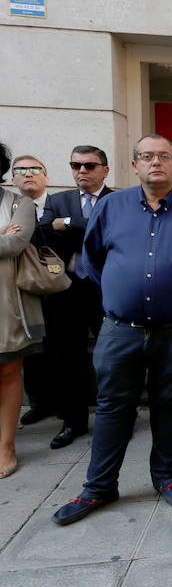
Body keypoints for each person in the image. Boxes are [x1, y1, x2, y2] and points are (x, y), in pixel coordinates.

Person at [52, 133, 172, 525]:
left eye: (164, 156)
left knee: (170, 405)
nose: (155, 162)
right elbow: (94, 260)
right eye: (147, 156)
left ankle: (166, 478)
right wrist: (123, 290)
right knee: (114, 407)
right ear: (135, 165)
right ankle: (99, 487)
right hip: (120, 329)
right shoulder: (111, 207)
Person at [38, 146, 114, 449]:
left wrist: (67, 224)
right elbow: (42, 235)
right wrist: (73, 226)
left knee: (113, 356)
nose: (81, 171)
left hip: (107, 288)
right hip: (67, 287)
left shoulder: (118, 199)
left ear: (104, 170)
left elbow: (109, 236)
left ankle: (118, 417)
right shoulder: (58, 200)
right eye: (75, 165)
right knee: (67, 357)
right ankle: (74, 422)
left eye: (89, 166)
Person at [1, 144, 45, 479]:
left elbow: (15, 244)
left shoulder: (19, 202)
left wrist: (6, 238)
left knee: (8, 372)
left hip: (6, 304)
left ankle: (6, 446)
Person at [11, 155, 53, 427]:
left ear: (46, 177)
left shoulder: (60, 205)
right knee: (32, 352)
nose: (28, 174)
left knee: (63, 349)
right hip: (21, 291)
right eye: (21, 170)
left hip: (58, 288)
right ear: (13, 178)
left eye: (35, 169)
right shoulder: (9, 209)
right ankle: (39, 403)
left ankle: (66, 405)